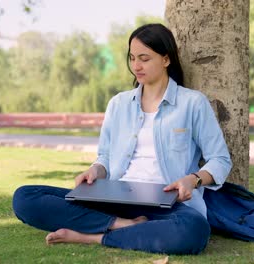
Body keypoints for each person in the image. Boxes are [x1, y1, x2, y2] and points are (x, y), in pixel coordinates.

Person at [13, 24, 232, 255]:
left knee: (194, 230)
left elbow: (220, 160)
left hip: (167, 204)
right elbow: (105, 157)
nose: (136, 66)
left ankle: (91, 236)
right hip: (113, 199)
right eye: (132, 58)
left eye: (144, 58)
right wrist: (95, 170)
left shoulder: (193, 103)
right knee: (25, 197)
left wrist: (193, 179)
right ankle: (120, 225)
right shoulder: (118, 104)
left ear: (166, 59)